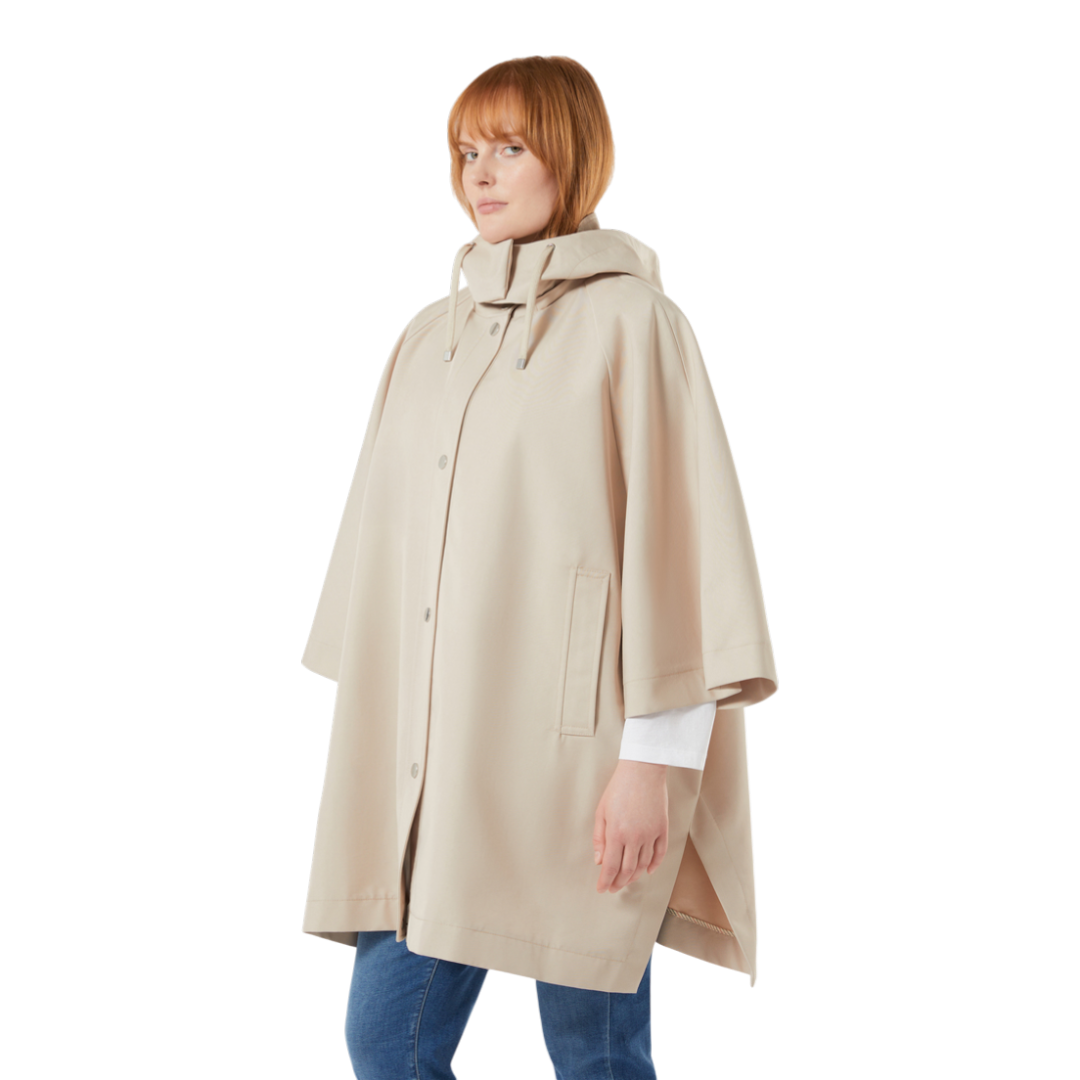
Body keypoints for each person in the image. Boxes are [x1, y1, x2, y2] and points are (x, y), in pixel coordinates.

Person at [305, 54, 777, 1080]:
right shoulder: (426, 338)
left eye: (509, 148)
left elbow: (682, 554)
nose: (480, 174)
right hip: (436, 774)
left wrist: (653, 766)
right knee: (385, 1046)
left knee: (594, 1051)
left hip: (582, 769)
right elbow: (383, 567)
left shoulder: (636, 327)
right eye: (465, 151)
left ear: (572, 156)